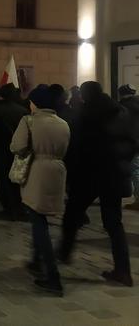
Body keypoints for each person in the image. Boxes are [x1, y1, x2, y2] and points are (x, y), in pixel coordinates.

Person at [59, 81, 135, 287]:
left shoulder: (86, 114)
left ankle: (63, 254)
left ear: (85, 95)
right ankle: (123, 271)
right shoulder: (121, 112)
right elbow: (132, 143)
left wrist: (70, 175)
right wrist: (122, 163)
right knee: (114, 224)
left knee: (72, 215)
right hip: (115, 175)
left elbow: (76, 147)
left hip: (89, 175)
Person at [11, 85, 70, 296]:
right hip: (57, 171)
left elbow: (17, 146)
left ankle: (53, 277)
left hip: (36, 172)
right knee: (41, 219)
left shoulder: (29, 121)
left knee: (38, 223)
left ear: (35, 103)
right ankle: (37, 261)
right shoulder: (63, 124)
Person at [0, 83, 29, 220]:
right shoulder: (23, 111)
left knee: (2, 180)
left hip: (0, 149)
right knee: (18, 180)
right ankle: (19, 207)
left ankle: (8, 208)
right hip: (20, 151)